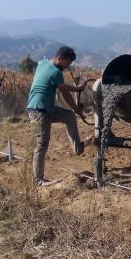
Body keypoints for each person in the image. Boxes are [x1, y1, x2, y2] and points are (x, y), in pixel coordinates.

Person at [26, 46, 87, 187]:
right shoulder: (56, 72)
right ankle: (38, 180)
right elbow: (65, 94)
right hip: (38, 111)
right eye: (66, 64)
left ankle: (77, 147)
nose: (67, 67)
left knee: (69, 116)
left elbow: (62, 87)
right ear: (59, 59)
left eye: (69, 64)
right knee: (42, 143)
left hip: (46, 108)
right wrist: (77, 109)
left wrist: (77, 89)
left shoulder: (43, 63)